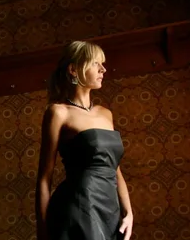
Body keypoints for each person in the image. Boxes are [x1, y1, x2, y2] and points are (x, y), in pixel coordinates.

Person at [35, 41, 134, 240]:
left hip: (110, 209)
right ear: (74, 70)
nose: (103, 69)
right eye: (96, 63)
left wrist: (129, 212)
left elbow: (115, 169)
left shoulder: (106, 114)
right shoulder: (58, 113)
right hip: (81, 205)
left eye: (103, 64)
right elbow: (44, 178)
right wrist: (43, 232)